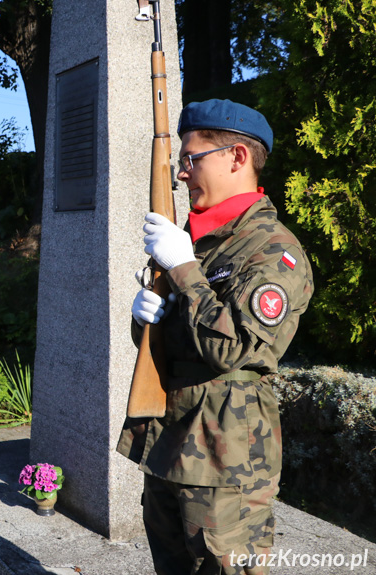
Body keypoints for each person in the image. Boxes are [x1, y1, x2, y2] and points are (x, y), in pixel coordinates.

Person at [117, 99, 314, 574]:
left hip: (225, 460)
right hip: (171, 441)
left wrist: (183, 269)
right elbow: (177, 338)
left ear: (237, 158)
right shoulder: (200, 239)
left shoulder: (273, 250)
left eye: (191, 159)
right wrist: (146, 318)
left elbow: (230, 347)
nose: (183, 175)